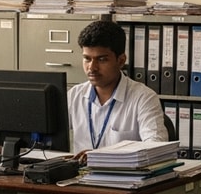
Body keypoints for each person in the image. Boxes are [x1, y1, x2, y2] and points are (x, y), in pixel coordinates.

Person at [68, 20, 167, 161]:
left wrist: (102, 157)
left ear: (121, 61)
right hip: (79, 179)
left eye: (101, 60)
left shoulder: (144, 97)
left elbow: (156, 147)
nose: (92, 67)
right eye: (87, 59)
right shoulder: (74, 95)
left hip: (125, 179)